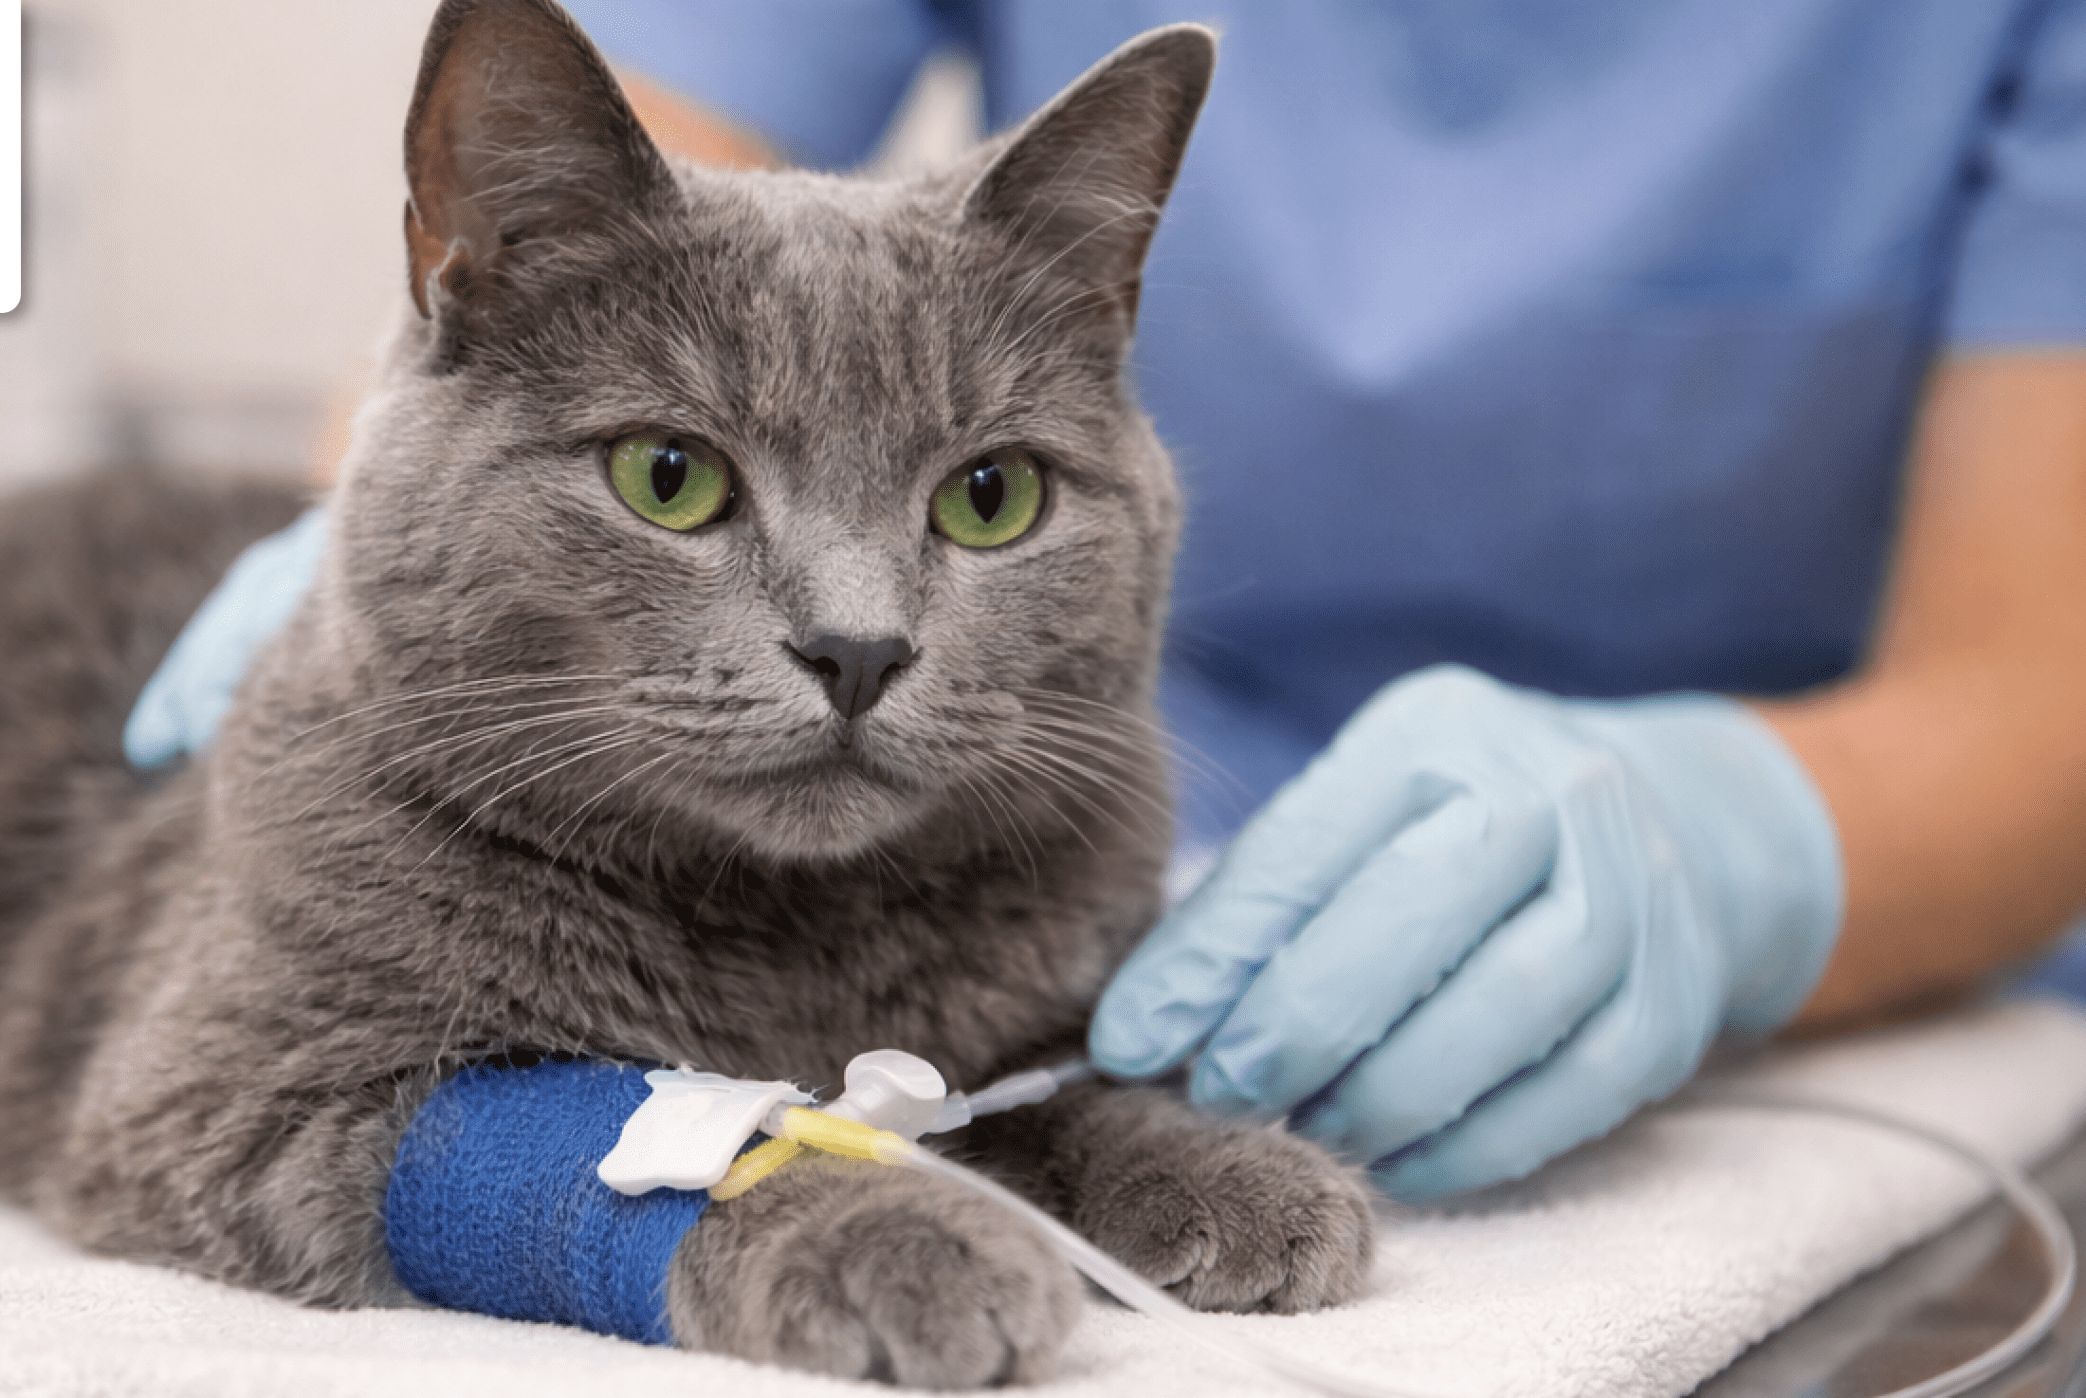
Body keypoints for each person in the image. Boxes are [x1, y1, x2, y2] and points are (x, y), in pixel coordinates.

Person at [127, 0, 2086, 1199]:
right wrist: (389, 551)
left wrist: (1730, 862)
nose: (848, 615)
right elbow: (586, 210)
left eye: (983, 496)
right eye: (678, 484)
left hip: (1799, 933)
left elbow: (2043, 685)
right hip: (1094, 892)